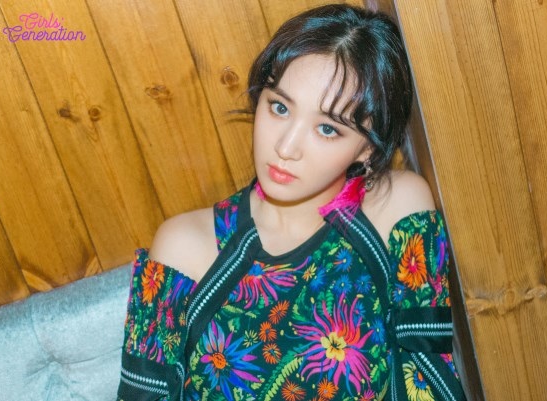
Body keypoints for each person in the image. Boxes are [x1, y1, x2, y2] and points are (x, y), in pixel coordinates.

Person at [117, 4, 465, 401]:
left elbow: (429, 377)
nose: (285, 147)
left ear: (367, 148)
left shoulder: (395, 211)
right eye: (279, 107)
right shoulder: (184, 247)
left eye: (327, 129)